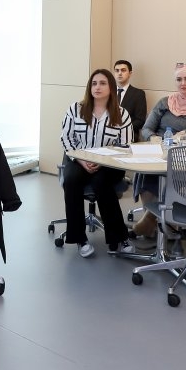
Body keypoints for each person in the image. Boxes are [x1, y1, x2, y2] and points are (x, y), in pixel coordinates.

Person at [131, 62, 186, 238]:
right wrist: (153, 138)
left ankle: (153, 221)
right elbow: (146, 128)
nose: (183, 83)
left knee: (172, 175)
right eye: (179, 79)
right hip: (160, 152)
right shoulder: (165, 102)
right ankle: (159, 221)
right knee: (146, 173)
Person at [59, 69, 134, 258]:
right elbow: (66, 139)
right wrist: (81, 159)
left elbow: (126, 146)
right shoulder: (75, 109)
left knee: (101, 182)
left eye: (102, 83)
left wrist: (103, 161)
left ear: (111, 87)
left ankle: (118, 237)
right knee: (71, 180)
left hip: (110, 163)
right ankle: (79, 238)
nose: (97, 87)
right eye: (94, 83)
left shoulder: (122, 114)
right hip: (79, 158)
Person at [113, 59, 147, 142]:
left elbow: (140, 120)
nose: (119, 73)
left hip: (129, 135)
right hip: (107, 134)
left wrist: (121, 129)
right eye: (117, 70)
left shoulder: (138, 94)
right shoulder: (108, 92)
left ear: (130, 73)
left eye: (123, 70)